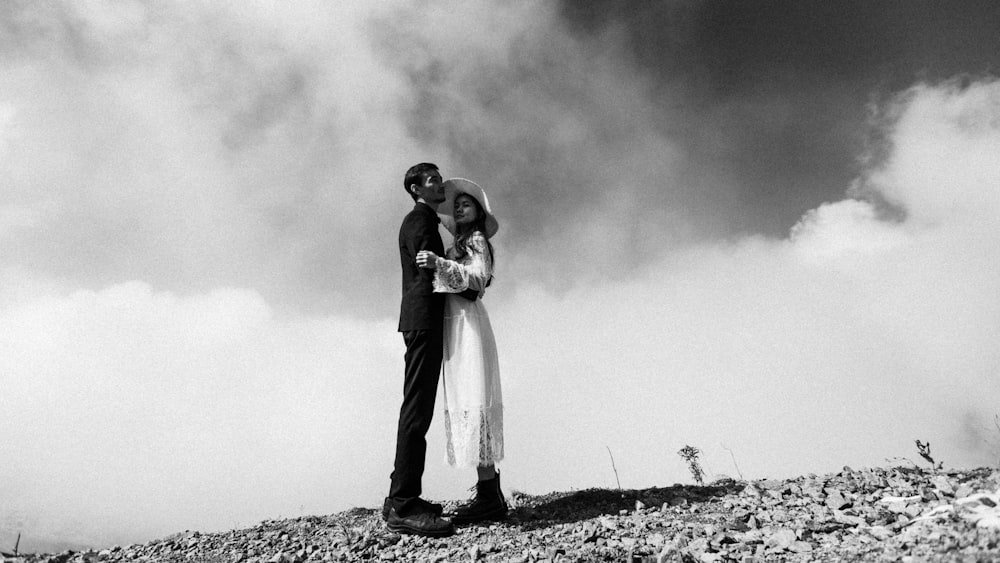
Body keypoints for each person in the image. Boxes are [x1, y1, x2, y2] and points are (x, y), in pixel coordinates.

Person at [416, 178, 508, 524]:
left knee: (474, 398)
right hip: (456, 324)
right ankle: (488, 491)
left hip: (468, 323)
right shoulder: (461, 243)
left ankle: (489, 494)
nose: (458, 208)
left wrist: (439, 264)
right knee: (466, 400)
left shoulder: (477, 240)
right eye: (456, 206)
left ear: (479, 213)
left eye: (465, 205)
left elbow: (478, 279)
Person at [384, 162, 455, 537]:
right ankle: (403, 503)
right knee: (416, 410)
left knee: (417, 408)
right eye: (432, 180)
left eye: (439, 177)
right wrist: (467, 271)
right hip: (423, 319)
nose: (439, 183)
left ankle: (401, 497)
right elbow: (431, 271)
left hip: (420, 319)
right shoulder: (420, 221)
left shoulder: (423, 219)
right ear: (416, 189)